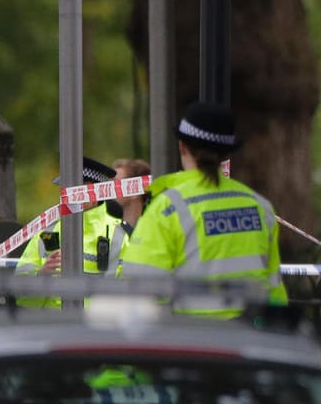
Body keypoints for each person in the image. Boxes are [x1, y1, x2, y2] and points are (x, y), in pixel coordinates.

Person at [118, 102, 286, 318]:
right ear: (227, 153)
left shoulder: (168, 208)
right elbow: (274, 289)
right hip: (249, 340)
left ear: (182, 147)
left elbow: (139, 290)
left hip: (195, 342)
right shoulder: (260, 207)